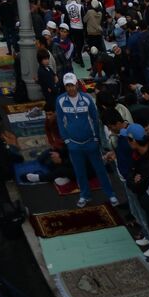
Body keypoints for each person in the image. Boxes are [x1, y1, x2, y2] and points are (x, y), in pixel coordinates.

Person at [54, 71, 118, 208]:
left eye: (72, 85)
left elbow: (95, 119)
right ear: (65, 87)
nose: (70, 88)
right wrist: (67, 140)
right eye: (68, 86)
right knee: (79, 171)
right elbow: (60, 121)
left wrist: (96, 138)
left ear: (77, 84)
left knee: (100, 169)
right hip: (74, 144)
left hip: (90, 142)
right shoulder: (60, 100)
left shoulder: (87, 98)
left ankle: (111, 194)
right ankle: (84, 195)